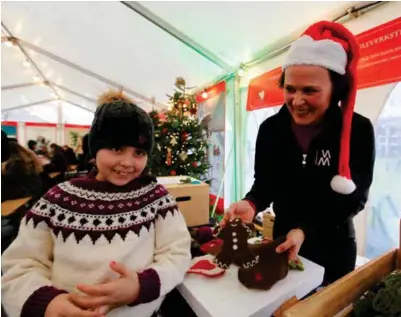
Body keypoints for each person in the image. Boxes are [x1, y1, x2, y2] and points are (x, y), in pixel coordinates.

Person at [2, 90, 192, 317]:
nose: (127, 162)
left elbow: (177, 253)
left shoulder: (156, 199)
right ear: (95, 149)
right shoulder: (58, 199)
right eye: (116, 148)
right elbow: (20, 264)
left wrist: (141, 286)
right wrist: (48, 304)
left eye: (139, 152)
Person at [223, 21, 375, 286]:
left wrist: (306, 230)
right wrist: (251, 204)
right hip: (284, 243)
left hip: (335, 247)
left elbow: (355, 198)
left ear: (335, 91)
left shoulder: (358, 130)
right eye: (290, 89)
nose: (297, 100)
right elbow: (265, 184)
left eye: (310, 91)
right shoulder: (271, 129)